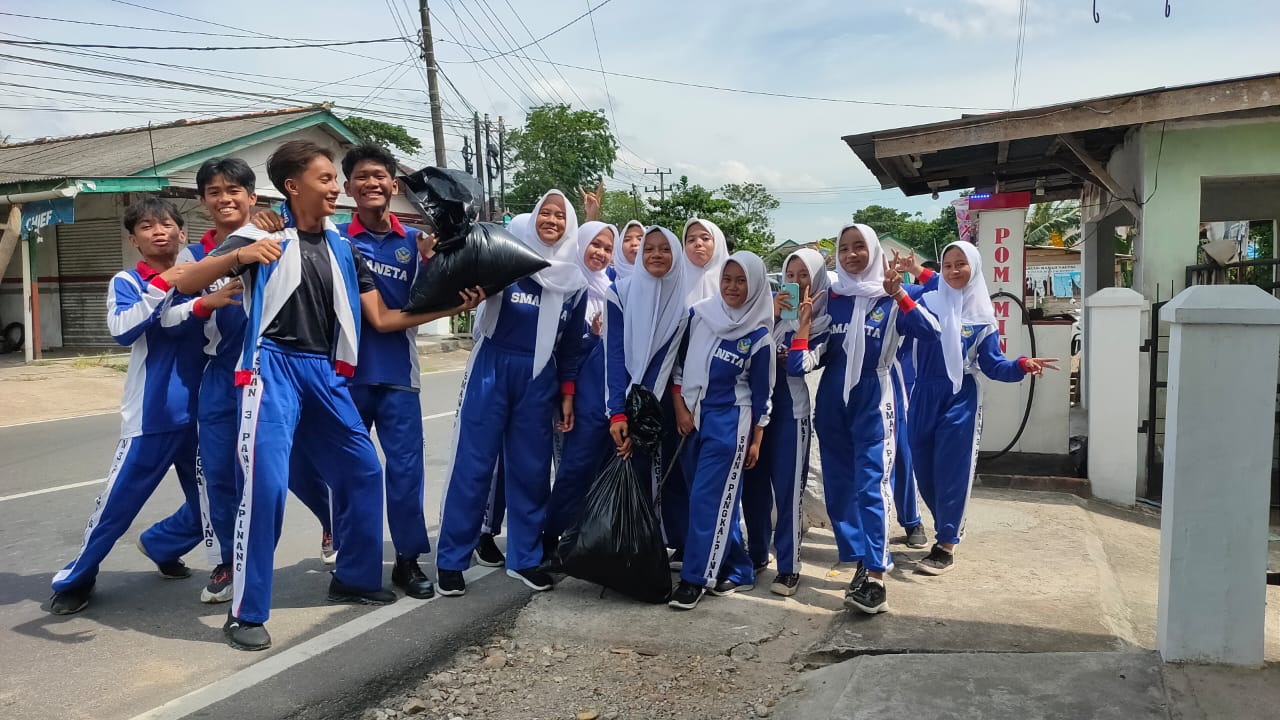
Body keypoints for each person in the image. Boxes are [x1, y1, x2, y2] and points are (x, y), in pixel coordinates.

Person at [172, 140, 399, 651]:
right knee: (267, 486)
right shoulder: (262, 233)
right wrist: (241, 254)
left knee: (363, 470)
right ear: (293, 188)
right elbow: (186, 281)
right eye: (326, 180)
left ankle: (356, 578)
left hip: (323, 370)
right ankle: (246, 612)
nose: (337, 187)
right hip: (270, 367)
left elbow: (380, 313)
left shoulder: (344, 245)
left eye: (335, 179)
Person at [48, 197, 240, 615]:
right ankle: (78, 578)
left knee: (218, 494)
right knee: (118, 506)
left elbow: (216, 324)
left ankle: (169, 546)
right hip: (153, 414)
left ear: (182, 233)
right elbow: (123, 330)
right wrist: (165, 282)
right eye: (147, 227)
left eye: (167, 224)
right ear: (134, 240)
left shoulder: (206, 275)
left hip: (206, 409)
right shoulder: (128, 281)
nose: (159, 231)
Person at [178, 157, 340, 605]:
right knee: (219, 472)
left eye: (234, 191)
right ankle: (232, 560)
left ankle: (331, 522)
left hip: (277, 368)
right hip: (220, 376)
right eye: (214, 192)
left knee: (292, 468)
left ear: (253, 197)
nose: (224, 199)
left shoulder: (275, 231)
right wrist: (212, 294)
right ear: (202, 201)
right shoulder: (196, 254)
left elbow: (312, 214)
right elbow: (181, 289)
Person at [435, 190, 588, 597]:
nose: (552, 221)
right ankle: (452, 559)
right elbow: (460, 278)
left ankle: (525, 558)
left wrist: (567, 393)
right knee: (473, 466)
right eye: (546, 213)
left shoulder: (574, 281)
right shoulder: (505, 258)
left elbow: (571, 346)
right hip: (493, 367)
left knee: (532, 472)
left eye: (560, 216)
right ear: (534, 216)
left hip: (539, 378)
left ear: (569, 225)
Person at [799, 224, 941, 616]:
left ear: (874, 250)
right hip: (832, 402)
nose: (851, 255)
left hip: (874, 400)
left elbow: (931, 332)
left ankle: (876, 574)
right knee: (840, 487)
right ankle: (859, 557)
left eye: (859, 246)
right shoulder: (835, 296)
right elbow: (818, 347)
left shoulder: (893, 295)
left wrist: (900, 293)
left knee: (871, 485)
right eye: (844, 249)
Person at [910, 241, 1057, 575]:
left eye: (960, 264)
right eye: (947, 265)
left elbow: (993, 365)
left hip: (960, 395)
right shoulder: (926, 301)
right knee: (924, 470)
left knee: (952, 471)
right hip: (922, 393)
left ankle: (946, 543)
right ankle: (948, 524)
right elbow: (889, 297)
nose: (953, 271)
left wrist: (1021, 364)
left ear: (974, 268)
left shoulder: (981, 318)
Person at [668, 252, 774, 610]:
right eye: (727, 278)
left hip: (731, 423)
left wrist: (756, 440)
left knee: (708, 501)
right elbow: (678, 369)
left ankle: (695, 578)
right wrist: (681, 410)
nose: (732, 287)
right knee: (711, 500)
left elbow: (763, 396)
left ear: (756, 285)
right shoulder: (700, 316)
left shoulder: (759, 337)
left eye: (741, 281)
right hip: (692, 420)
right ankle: (740, 568)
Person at [742, 248, 830, 597]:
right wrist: (770, 317)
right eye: (790, 276)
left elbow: (797, 366)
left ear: (818, 280)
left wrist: (803, 326)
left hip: (791, 415)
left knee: (788, 490)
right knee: (754, 485)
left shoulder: (823, 324)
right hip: (757, 411)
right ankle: (757, 553)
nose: (795, 283)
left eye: (803, 276)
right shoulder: (769, 316)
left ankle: (789, 566)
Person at [543, 221, 616, 554]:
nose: (600, 253)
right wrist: (593, 337)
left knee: (602, 470)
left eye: (606, 248)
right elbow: (564, 346)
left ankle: (586, 541)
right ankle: (551, 536)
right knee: (573, 469)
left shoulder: (615, 287)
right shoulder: (567, 283)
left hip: (611, 393)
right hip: (580, 392)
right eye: (595, 244)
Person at [606, 226, 688, 517]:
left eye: (665, 249)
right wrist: (618, 412)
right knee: (632, 476)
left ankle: (667, 543)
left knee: (669, 476)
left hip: (662, 401)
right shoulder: (620, 293)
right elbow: (614, 355)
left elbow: (667, 361)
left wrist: (640, 425)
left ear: (676, 255)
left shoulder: (682, 303)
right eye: (649, 248)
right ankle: (629, 553)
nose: (657, 254)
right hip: (624, 399)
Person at [665, 218, 731, 569]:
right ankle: (683, 540)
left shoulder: (730, 285)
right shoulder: (676, 285)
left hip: (722, 399)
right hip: (678, 394)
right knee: (681, 472)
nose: (697, 245)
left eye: (705, 238)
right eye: (690, 239)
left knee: (714, 481)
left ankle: (724, 550)